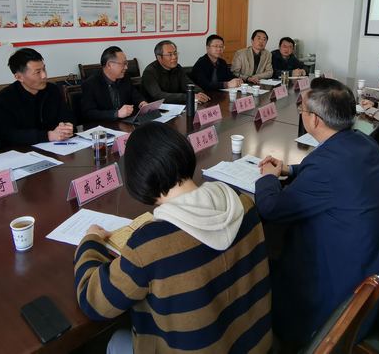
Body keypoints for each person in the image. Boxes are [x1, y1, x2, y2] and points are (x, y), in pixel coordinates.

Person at [74, 122, 272, 353]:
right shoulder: (243, 202)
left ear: (138, 180)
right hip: (256, 345)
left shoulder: (150, 244)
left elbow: (93, 302)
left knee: (117, 342)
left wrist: (91, 241)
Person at [254, 78, 379, 348]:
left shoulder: (325, 166)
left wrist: (267, 178)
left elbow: (271, 208)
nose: (301, 113)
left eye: (302, 109)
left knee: (264, 255)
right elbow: (330, 173)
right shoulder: (363, 142)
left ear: (315, 120)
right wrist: (289, 169)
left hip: (346, 289)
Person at [0, 48, 74, 145]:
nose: (44, 76)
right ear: (19, 77)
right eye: (37, 72)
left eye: (44, 69)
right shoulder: (3, 99)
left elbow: (68, 116)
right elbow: (7, 135)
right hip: (24, 150)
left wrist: (66, 127)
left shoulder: (52, 90)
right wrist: (48, 135)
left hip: (57, 146)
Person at [79, 46, 147, 121]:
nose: (126, 67)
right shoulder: (90, 84)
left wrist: (142, 103)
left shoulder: (125, 77)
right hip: (105, 125)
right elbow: (89, 113)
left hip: (126, 122)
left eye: (126, 63)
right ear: (109, 65)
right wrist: (116, 114)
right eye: (123, 64)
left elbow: (135, 95)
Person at [141, 40, 209, 104]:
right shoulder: (149, 72)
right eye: (170, 55)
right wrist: (189, 96)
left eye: (175, 53)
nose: (174, 57)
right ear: (159, 57)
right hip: (156, 109)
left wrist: (199, 92)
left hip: (177, 106)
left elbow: (188, 84)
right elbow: (158, 96)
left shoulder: (177, 68)